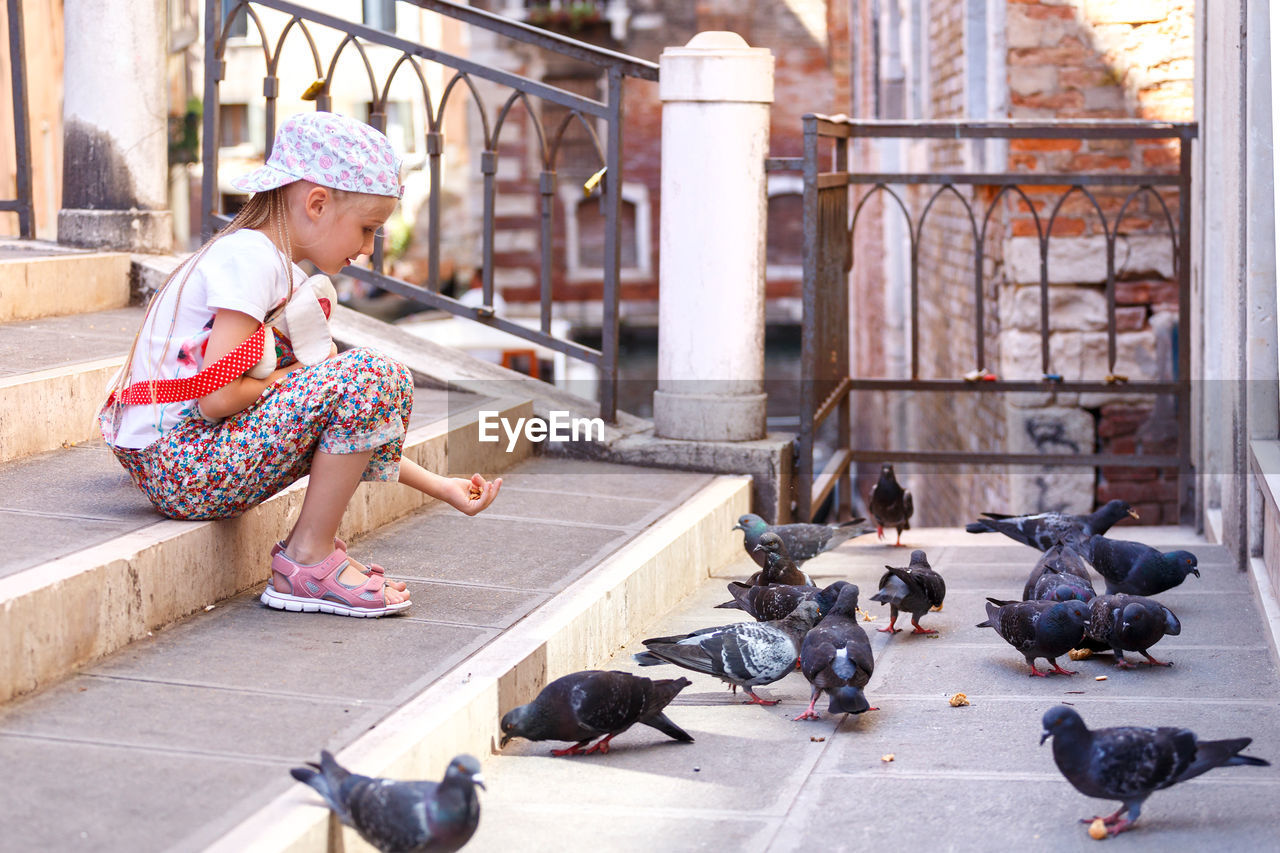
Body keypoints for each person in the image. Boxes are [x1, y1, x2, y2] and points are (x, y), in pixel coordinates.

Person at [99, 111, 501, 618]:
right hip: (181, 464)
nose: (368, 249)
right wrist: (293, 378)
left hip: (183, 460)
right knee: (372, 377)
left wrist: (440, 487)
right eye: (367, 228)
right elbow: (218, 397)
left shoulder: (270, 265)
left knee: (378, 381)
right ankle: (306, 563)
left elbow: (347, 426)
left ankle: (311, 557)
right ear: (316, 202)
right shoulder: (252, 259)